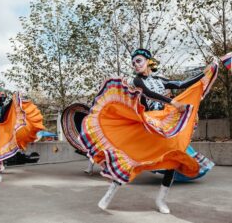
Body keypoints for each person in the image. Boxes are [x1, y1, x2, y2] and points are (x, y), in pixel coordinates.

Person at [79, 48, 219, 214]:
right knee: (131, 158)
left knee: (172, 159)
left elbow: (182, 84)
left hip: (164, 121)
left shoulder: (160, 79)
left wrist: (205, 72)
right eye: (133, 63)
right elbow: (149, 94)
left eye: (138, 61)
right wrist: (173, 102)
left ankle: (161, 200)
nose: (135, 65)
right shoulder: (137, 80)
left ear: (148, 61)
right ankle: (109, 195)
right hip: (148, 122)